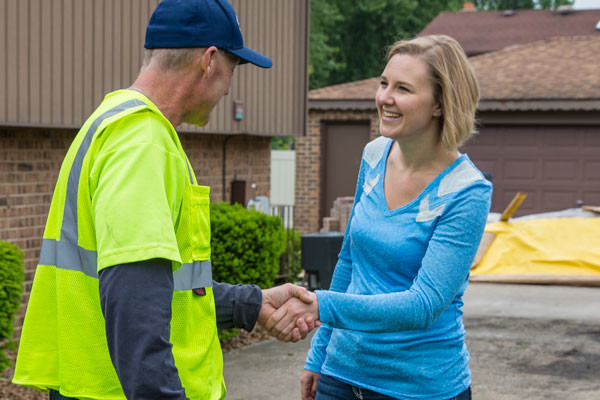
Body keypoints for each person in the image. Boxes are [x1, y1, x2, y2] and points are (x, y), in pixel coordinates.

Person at [12, 1, 316, 399]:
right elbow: (135, 310)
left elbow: (165, 290)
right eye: (232, 69)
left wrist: (252, 303)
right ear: (209, 61)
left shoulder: (113, 122)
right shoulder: (143, 144)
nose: (228, 88)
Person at [266, 35, 492, 400]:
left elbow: (422, 304)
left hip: (418, 387)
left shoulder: (466, 191)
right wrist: (319, 354)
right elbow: (349, 262)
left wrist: (320, 305)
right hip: (341, 375)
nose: (385, 97)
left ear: (439, 104)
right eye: (384, 83)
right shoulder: (374, 155)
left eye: (403, 88)